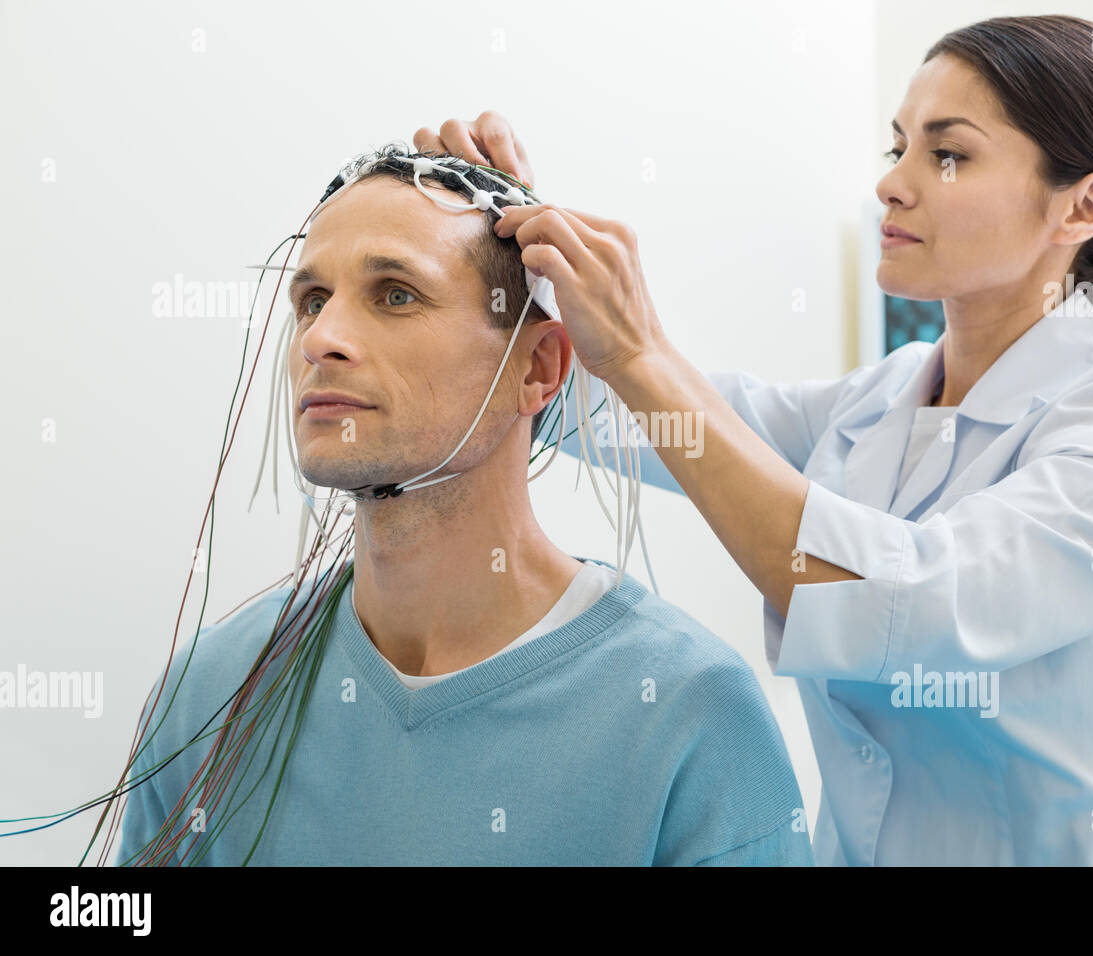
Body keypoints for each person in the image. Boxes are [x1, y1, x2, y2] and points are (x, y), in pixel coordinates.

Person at [425, 13, 1093, 865]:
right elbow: (621, 416)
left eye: (947, 154)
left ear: (1084, 204)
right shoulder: (875, 402)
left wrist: (639, 348)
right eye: (898, 149)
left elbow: (906, 605)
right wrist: (507, 241)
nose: (893, 184)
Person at [115, 149, 813, 866]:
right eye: (313, 300)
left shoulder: (687, 716)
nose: (320, 339)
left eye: (394, 295)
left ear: (538, 368)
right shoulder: (211, 693)